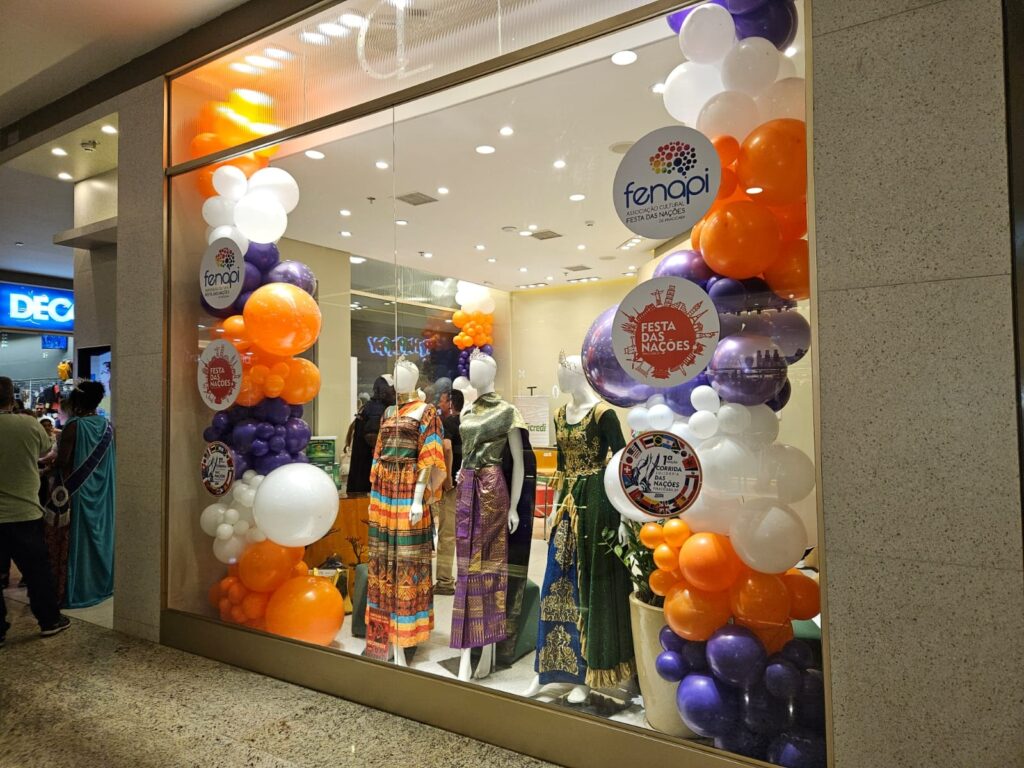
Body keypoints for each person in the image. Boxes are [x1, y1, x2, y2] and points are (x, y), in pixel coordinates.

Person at [0, 376, 70, 646]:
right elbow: (45, 450)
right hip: (25, 511)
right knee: (37, 570)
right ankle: (49, 620)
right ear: (11, 397)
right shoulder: (28, 424)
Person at [53, 381, 115, 608]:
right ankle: (102, 584)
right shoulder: (108, 426)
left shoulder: (74, 426)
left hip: (78, 494)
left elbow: (63, 461)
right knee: (100, 537)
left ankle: (78, 589)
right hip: (102, 495)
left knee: (79, 539)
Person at [434, 388, 463, 596]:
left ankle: (445, 581)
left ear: (451, 403)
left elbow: (446, 448)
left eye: (443, 401)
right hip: (473, 482)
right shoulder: (471, 421)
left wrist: (447, 477)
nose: (440, 404)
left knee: (447, 533)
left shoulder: (449, 423)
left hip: (453, 486)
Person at [345, 376, 395, 494]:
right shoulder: (376, 409)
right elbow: (372, 437)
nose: (395, 392)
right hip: (368, 472)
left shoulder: (371, 407)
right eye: (392, 389)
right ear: (384, 390)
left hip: (362, 471)